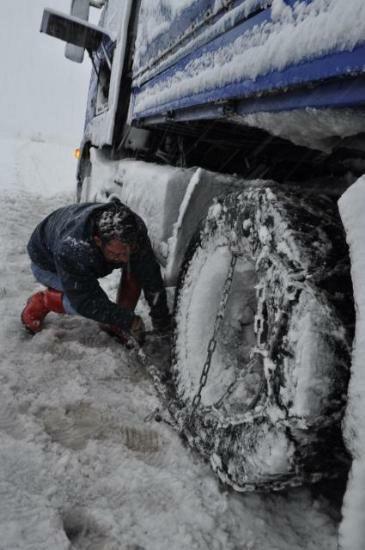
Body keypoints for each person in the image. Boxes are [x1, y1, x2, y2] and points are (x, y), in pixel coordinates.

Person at [21, 198, 171, 343]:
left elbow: (150, 274)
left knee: (136, 267)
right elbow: (85, 300)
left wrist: (161, 321)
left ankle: (116, 324)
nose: (124, 259)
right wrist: (128, 320)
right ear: (98, 241)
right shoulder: (74, 248)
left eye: (128, 252)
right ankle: (45, 300)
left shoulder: (132, 229)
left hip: (71, 244)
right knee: (83, 305)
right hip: (47, 264)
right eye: (116, 254)